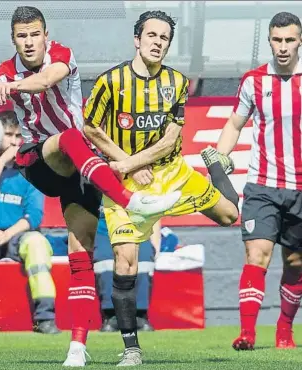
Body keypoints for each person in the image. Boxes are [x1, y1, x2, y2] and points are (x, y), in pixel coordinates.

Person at [0, 6, 181, 366]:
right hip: (37, 159)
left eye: (34, 34)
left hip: (78, 165)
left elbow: (45, 80)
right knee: (70, 136)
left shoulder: (62, 56)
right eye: (21, 36)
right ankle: (130, 200)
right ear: (14, 39)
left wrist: (10, 87)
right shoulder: (3, 74)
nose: (28, 42)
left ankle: (76, 347)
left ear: (45, 34)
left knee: (81, 250)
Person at [83, 10, 240, 366]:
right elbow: (91, 129)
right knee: (126, 260)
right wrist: (127, 164)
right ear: (137, 39)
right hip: (124, 184)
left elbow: (171, 137)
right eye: (151, 35)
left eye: (164, 38)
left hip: (173, 174)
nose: (157, 42)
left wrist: (132, 163)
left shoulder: (177, 83)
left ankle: (215, 164)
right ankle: (131, 349)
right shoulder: (111, 82)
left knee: (230, 216)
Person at [214, 12, 302, 351]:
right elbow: (234, 124)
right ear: (269, 40)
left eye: (289, 40)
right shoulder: (253, 80)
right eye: (277, 40)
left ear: (299, 42)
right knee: (257, 254)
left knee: (295, 265)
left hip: (300, 189)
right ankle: (247, 333)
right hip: (262, 185)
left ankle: (284, 329)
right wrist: (220, 160)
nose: (282, 47)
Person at [0, 110, 60, 335]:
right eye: (9, 135)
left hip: (17, 236)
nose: (15, 142)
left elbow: (34, 216)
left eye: (18, 137)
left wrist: (8, 234)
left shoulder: (31, 170)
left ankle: (45, 318)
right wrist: (2, 162)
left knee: (37, 243)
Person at [94, 212, 161, 332]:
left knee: (144, 259)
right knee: (106, 262)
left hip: (138, 229)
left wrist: (155, 244)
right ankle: (111, 315)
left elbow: (154, 212)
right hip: (103, 230)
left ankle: (140, 315)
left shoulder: (142, 192)